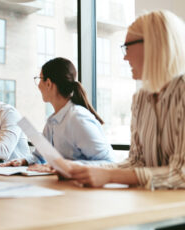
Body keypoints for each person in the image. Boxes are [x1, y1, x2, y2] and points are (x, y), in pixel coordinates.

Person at [67, 10, 185, 189]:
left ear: (153, 45)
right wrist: (80, 170)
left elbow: (181, 173)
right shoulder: (140, 99)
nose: (125, 57)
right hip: (153, 204)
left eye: (127, 47)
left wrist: (110, 176)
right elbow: (136, 163)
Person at [0, 57, 113, 169]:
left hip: (84, 186)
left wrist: (66, 165)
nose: (38, 85)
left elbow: (108, 163)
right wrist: (23, 161)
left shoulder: (78, 119)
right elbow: (40, 156)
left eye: (39, 79)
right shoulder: (52, 121)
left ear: (48, 83)